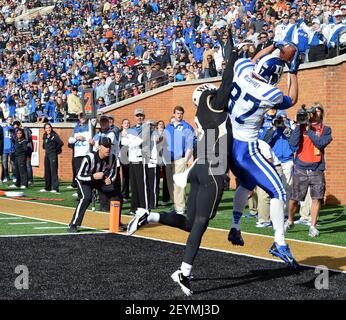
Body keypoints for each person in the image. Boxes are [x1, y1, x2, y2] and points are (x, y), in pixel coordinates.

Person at [127, 43, 238, 296]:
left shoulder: (201, 115)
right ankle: (184, 272)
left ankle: (150, 216)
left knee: (189, 223)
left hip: (200, 167)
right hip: (212, 170)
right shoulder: (212, 107)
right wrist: (233, 57)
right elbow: (227, 83)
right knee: (200, 224)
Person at [227, 41, 300, 268]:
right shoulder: (270, 92)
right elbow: (293, 99)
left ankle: (235, 226)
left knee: (246, 185)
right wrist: (294, 71)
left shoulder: (242, 70)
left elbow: (255, 58)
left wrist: (272, 46)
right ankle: (279, 242)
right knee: (278, 191)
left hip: (230, 145)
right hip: (247, 149)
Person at [285, 103, 332, 237]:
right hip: (300, 168)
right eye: (313, 112)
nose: (315, 114)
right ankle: (289, 220)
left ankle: (313, 226)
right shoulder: (301, 127)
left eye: (318, 111)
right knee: (294, 198)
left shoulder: (326, 129)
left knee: (317, 198)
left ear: (321, 113)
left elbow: (320, 143)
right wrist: (300, 126)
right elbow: (293, 144)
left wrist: (309, 130)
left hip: (317, 169)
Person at [68, 137, 121, 233]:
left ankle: (117, 222)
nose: (108, 149)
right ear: (99, 147)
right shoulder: (89, 157)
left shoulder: (112, 157)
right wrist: (92, 177)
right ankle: (73, 224)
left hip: (100, 180)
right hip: (85, 180)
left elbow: (114, 173)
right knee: (86, 197)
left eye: (109, 146)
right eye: (105, 146)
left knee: (116, 196)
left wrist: (110, 179)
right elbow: (79, 175)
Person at [163, 106, 195, 214]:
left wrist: (185, 159)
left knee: (178, 184)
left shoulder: (187, 127)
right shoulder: (168, 127)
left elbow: (190, 145)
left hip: (180, 159)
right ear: (174, 114)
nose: (179, 115)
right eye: (177, 113)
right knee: (170, 184)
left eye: (181, 113)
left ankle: (180, 208)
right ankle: (176, 205)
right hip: (168, 159)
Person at [68, 113, 92, 195]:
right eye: (81, 117)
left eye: (84, 116)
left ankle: (87, 192)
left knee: (86, 174)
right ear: (78, 117)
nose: (82, 118)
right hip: (77, 155)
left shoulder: (89, 126)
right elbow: (70, 140)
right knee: (78, 174)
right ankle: (79, 192)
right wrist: (76, 138)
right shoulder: (76, 127)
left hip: (86, 154)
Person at [40, 123, 64, 193]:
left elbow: (61, 143)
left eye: (49, 127)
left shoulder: (55, 136)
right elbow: (44, 145)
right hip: (47, 154)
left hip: (53, 155)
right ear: (44, 129)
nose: (48, 129)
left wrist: (55, 150)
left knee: (53, 171)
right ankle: (47, 188)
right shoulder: (44, 136)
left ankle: (55, 188)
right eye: (46, 128)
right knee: (47, 171)